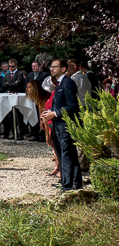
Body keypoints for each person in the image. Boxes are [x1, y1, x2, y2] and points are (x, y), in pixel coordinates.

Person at [41, 59, 82, 191]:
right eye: (51, 67)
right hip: (58, 125)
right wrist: (49, 112)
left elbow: (73, 106)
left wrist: (55, 113)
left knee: (67, 155)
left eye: (54, 67)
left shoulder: (68, 83)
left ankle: (69, 184)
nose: (51, 69)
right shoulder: (59, 84)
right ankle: (70, 181)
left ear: (63, 69)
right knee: (67, 154)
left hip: (66, 125)